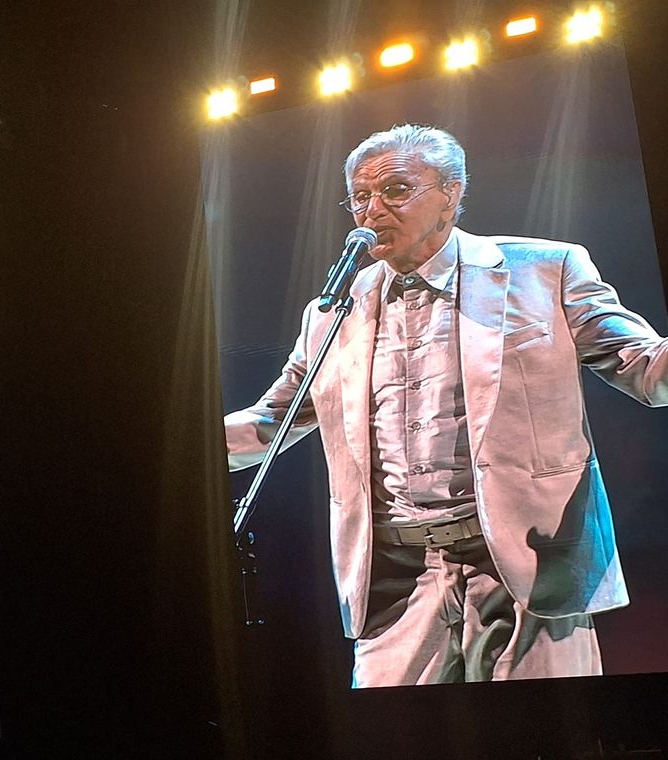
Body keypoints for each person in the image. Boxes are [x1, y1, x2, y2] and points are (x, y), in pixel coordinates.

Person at [224, 123, 668, 686]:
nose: (372, 210)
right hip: (396, 581)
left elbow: (645, 369)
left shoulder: (544, 269)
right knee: (395, 753)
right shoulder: (334, 309)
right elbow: (272, 421)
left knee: (543, 741)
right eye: (360, 197)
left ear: (451, 194)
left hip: (528, 565)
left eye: (395, 190)